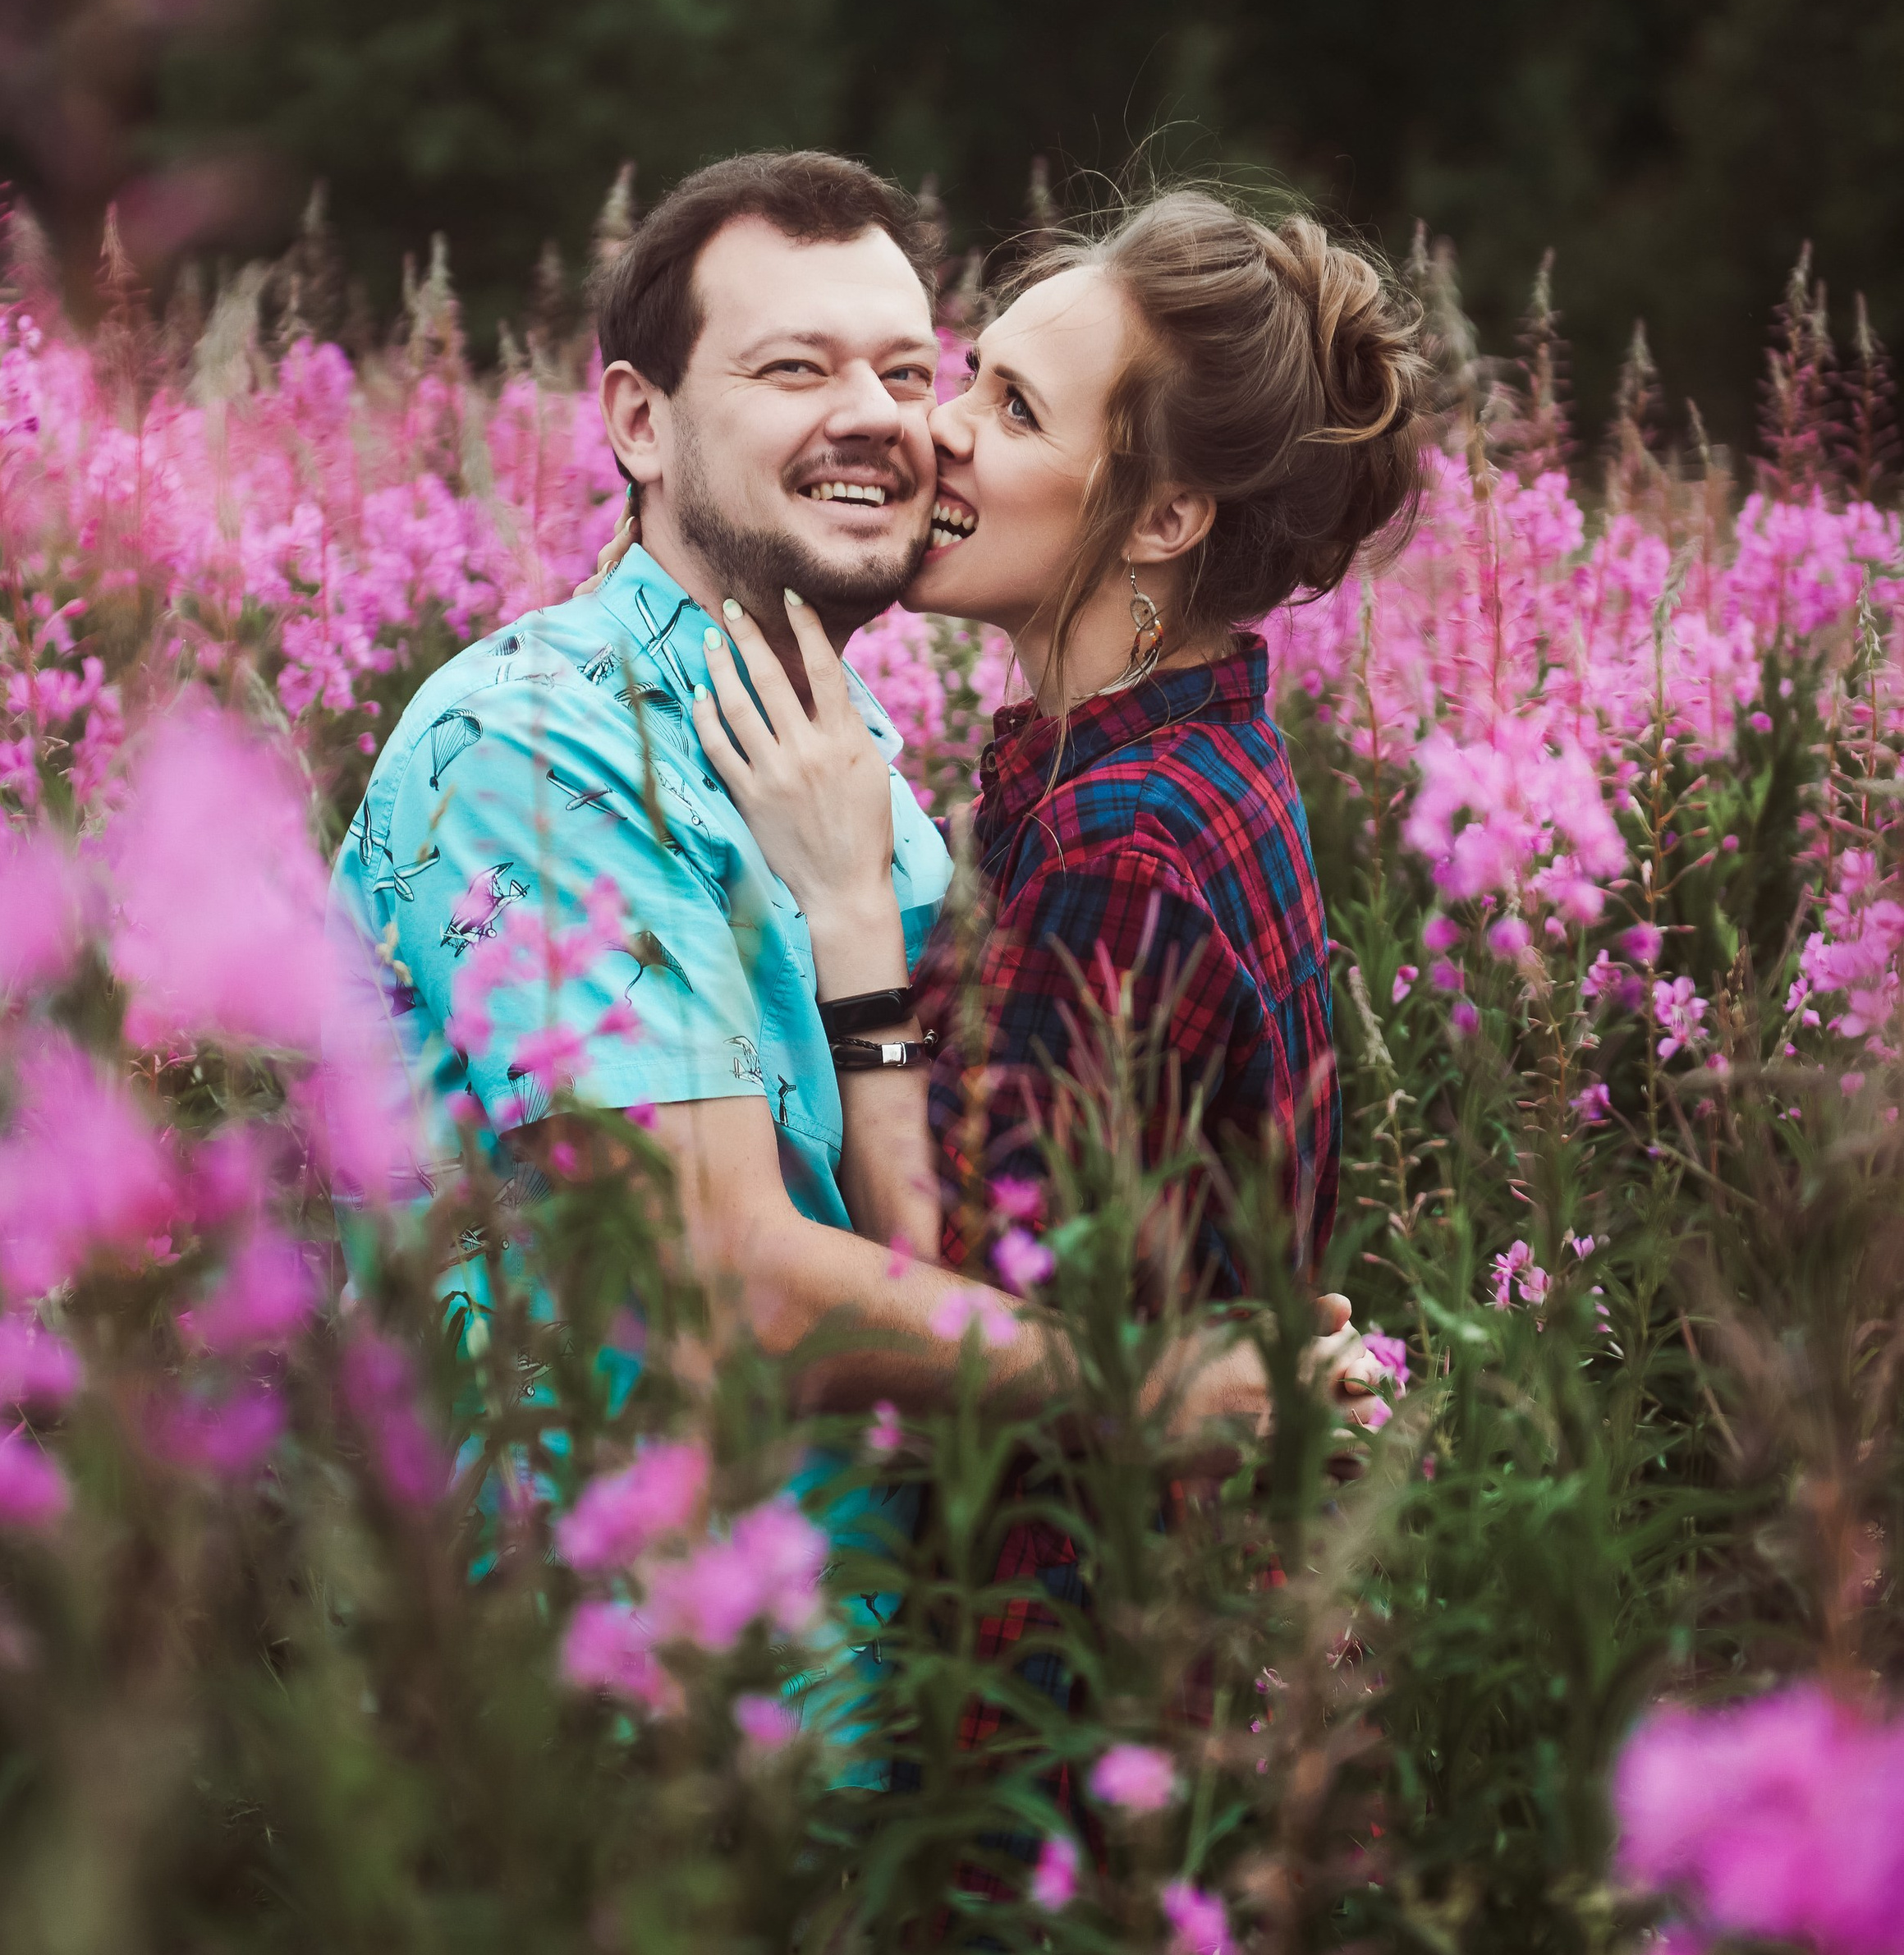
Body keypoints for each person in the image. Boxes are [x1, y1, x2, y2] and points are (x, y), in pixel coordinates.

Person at [335, 152, 1375, 1438]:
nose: (902, 422)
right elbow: (726, 1287)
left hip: (899, 1606)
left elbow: (987, 1258)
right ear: (640, 423)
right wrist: (1162, 1389)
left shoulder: (859, 765)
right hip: (643, 1618)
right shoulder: (539, 747)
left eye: (906, 371)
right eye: (795, 368)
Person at [688, 184, 1425, 1758]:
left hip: (1067, 1702)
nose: (936, 432)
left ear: (1163, 515)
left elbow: (944, 1303)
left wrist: (846, 917)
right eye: (971, 375)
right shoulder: (1183, 763)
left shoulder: (1122, 845)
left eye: (1010, 407)